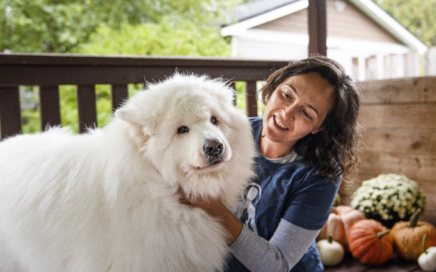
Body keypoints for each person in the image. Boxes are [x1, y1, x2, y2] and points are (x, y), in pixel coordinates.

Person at [180, 56, 361, 271]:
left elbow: (277, 266)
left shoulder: (321, 176)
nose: (286, 113)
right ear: (274, 87)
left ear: (319, 127)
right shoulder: (231, 133)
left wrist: (215, 210)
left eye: (306, 113)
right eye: (286, 95)